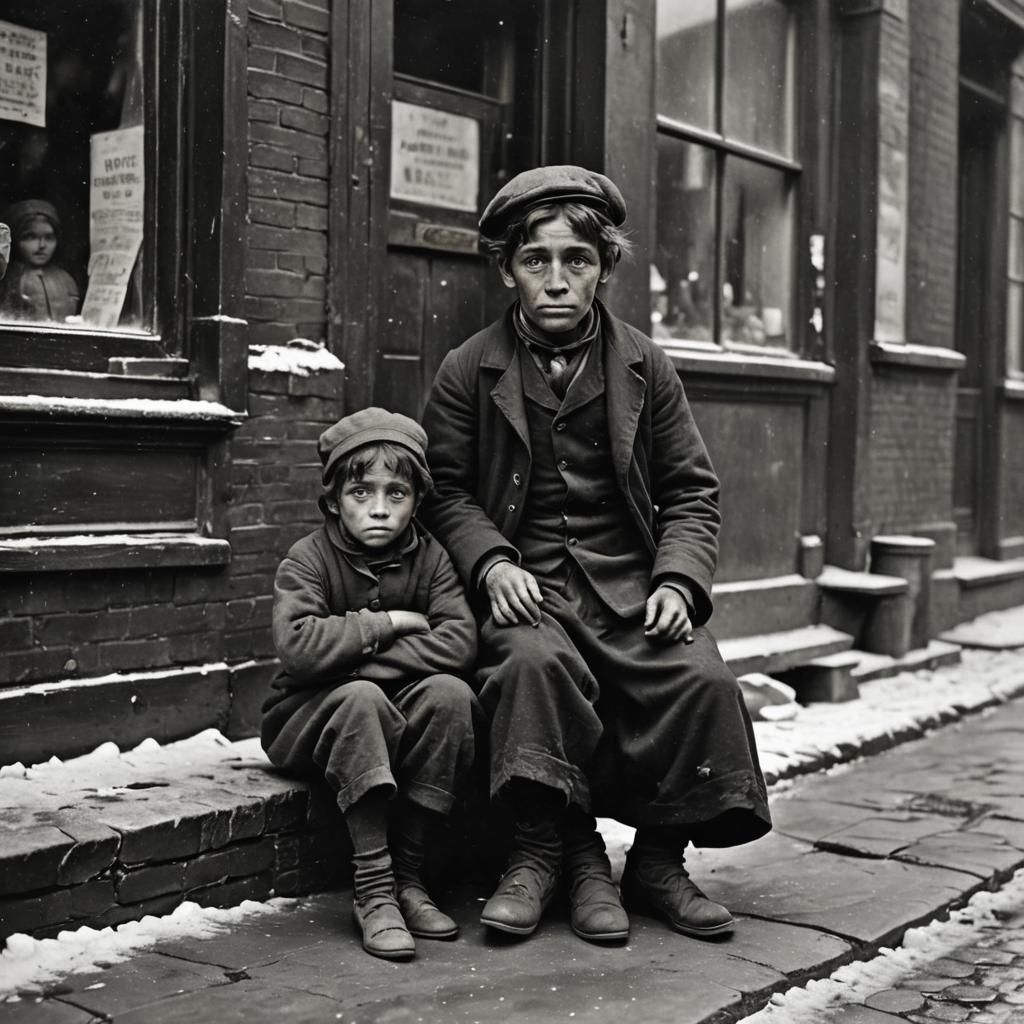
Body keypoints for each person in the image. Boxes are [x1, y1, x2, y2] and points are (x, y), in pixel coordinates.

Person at [420, 165, 771, 945]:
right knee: (529, 668)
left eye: (575, 261)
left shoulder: (648, 365)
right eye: (536, 261)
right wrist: (492, 563)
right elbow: (442, 492)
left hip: (627, 588)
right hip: (528, 590)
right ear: (508, 268)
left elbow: (690, 491)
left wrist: (679, 580)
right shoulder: (466, 370)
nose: (555, 281)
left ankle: (656, 865)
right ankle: (542, 850)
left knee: (701, 678)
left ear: (604, 267)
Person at [261, 407, 481, 962]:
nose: (379, 509)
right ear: (335, 499)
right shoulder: (307, 558)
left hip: (385, 713)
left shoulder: (431, 558)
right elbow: (299, 647)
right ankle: (375, 888)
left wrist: (353, 659)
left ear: (417, 498)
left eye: (397, 493)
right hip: (304, 722)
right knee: (360, 699)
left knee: (451, 695)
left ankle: (409, 876)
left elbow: (458, 644)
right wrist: (390, 623)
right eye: (361, 493)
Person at [0, 200, 80, 322]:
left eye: (49, 237)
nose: (42, 245)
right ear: (15, 240)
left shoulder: (66, 279)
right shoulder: (7, 280)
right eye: (31, 237)